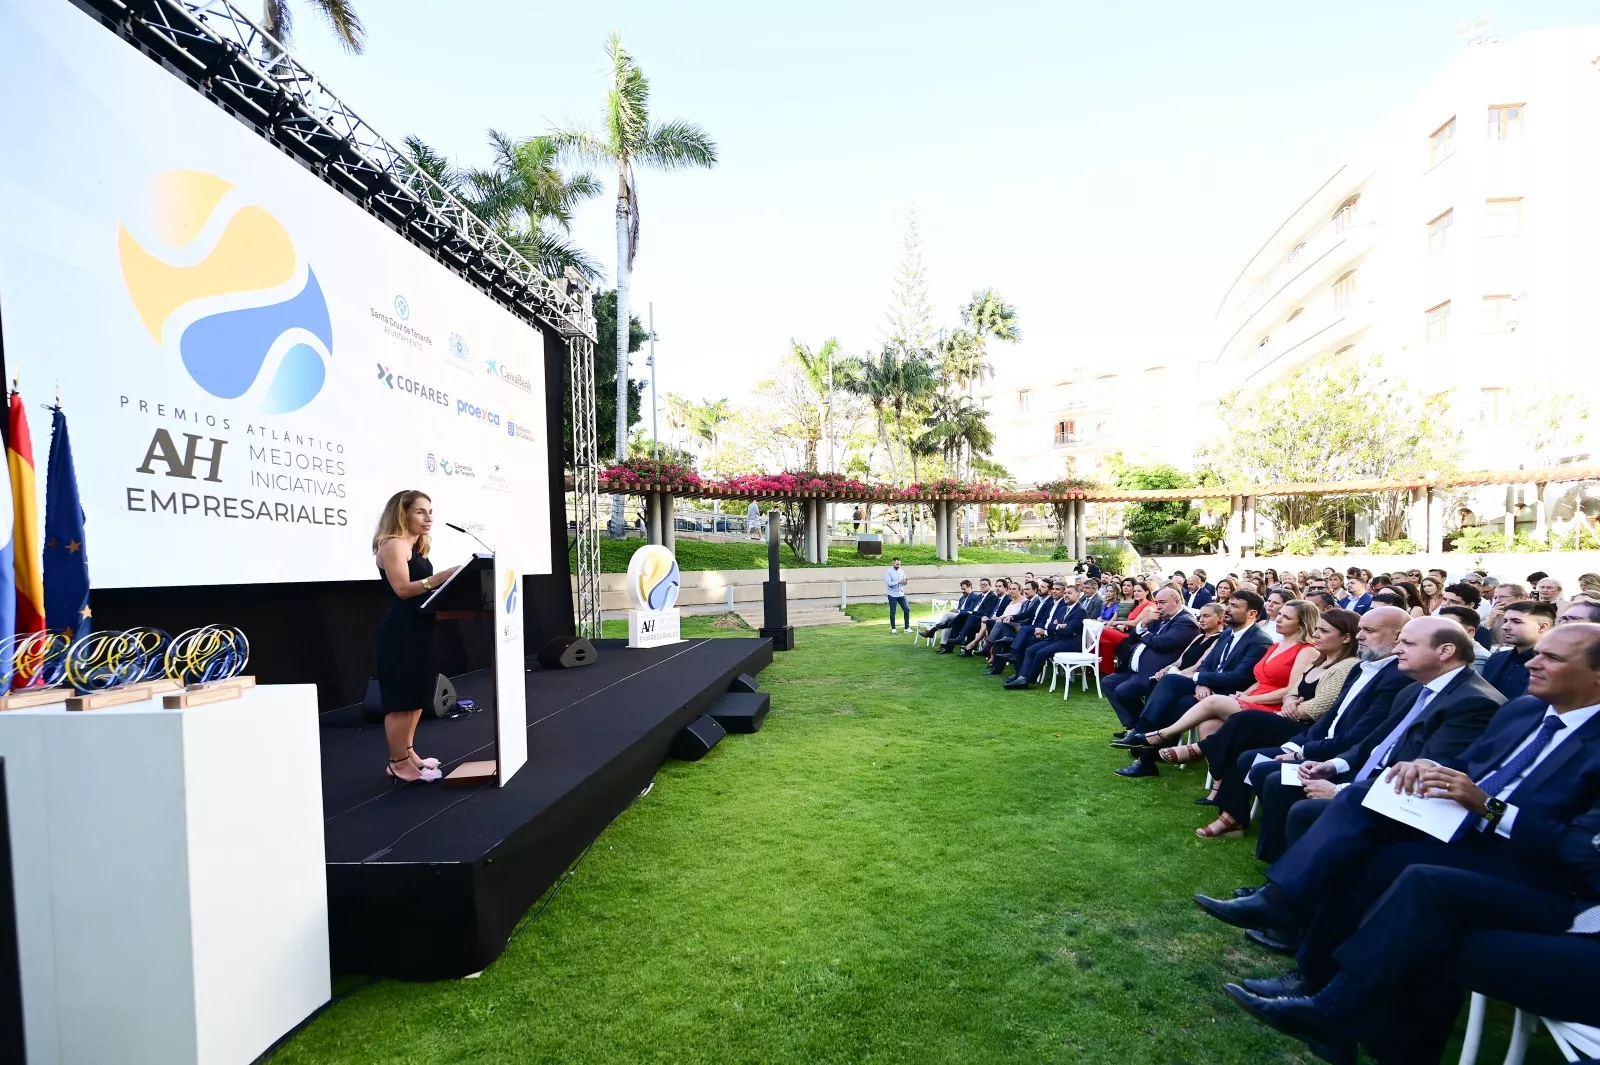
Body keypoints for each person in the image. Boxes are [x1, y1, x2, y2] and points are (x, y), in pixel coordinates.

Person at [1210, 624, 1600, 1065]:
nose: (1532, 662)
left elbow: (1582, 850)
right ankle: (1298, 941)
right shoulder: (1524, 711)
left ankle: (1331, 1005)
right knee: (1363, 828)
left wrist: (1490, 808)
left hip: (1539, 874)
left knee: (1423, 882)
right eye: (1538, 653)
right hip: (1465, 833)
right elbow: (1470, 766)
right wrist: (1429, 769)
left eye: (1552, 657)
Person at [1212, 606, 1413, 855]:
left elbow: (1359, 732)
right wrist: (1294, 746)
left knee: (1263, 761)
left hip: (1341, 754)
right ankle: (1251, 829)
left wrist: (1303, 752)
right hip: (1318, 739)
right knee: (1251, 757)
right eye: (1360, 629)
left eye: (1369, 631)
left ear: (1397, 636)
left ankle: (1279, 853)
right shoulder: (1361, 667)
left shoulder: (1394, 676)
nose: (1360, 635)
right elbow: (1330, 717)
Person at [1192, 609, 1361, 838]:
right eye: (1317, 629)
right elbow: (1292, 692)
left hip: (1308, 732)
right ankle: (1232, 817)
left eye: (1323, 631)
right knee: (1243, 743)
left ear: (1346, 637)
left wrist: (1294, 708)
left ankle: (1202, 749)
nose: (1316, 634)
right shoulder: (1319, 660)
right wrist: (1291, 702)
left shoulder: (1346, 666)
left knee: (1246, 719)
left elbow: (1319, 708)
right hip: (1291, 720)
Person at [1121, 600, 1320, 765]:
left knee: (1186, 703)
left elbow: (1289, 690)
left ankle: (1157, 738)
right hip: (1244, 695)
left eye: (1286, 617)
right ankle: (1215, 787)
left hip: (1268, 705)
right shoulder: (1274, 645)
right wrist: (1205, 683)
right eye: (1280, 614)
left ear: (1302, 624)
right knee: (1172, 685)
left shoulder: (1293, 647)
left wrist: (1247, 697)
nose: (1278, 618)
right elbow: (1254, 678)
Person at [1112, 592, 1274, 777]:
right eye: (1229, 604)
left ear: (1252, 613)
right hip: (1207, 687)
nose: (1227, 609)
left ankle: (1145, 753)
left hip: (1227, 695)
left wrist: (1199, 679)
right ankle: (1142, 734)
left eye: (1235, 606)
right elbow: (1206, 664)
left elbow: (1238, 677)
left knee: (1175, 705)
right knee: (1169, 680)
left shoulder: (1259, 641)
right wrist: (1200, 682)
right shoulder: (1228, 634)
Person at [372, 490, 460, 784]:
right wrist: (440, 577)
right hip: (400, 634)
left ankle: (408, 753)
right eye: (420, 511)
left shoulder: (416, 547)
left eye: (430, 511)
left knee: (417, 698)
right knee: (401, 701)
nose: (428, 517)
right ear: (402, 513)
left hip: (420, 631)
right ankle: (397, 763)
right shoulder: (393, 544)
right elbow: (402, 589)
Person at [1102, 595, 1211, 725]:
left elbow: (1161, 642)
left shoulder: (1186, 622)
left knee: (1123, 690)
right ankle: (1134, 725)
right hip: (1135, 669)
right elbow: (1131, 638)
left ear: (1176, 602)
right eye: (1157, 603)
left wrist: (1143, 632)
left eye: (1162, 602)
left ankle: (1142, 726)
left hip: (1156, 672)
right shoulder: (1159, 617)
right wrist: (1142, 623)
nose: (1158, 607)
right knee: (1108, 682)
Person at [1481, 599, 1556, 700]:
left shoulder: (1553, 666)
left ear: (1542, 627)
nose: (1505, 627)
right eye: (1505, 621)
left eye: (1516, 622)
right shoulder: (1496, 659)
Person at [884, 557, 910, 632]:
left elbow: (904, 582)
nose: (898, 566)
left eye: (899, 564)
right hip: (892, 594)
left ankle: (907, 628)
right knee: (893, 611)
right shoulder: (889, 572)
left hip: (901, 594)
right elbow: (889, 584)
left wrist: (905, 582)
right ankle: (893, 628)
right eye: (897, 564)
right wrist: (898, 582)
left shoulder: (902, 571)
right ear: (893, 563)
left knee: (907, 609)